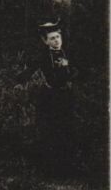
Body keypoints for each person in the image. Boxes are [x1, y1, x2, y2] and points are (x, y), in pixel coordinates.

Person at [16, 20, 79, 174]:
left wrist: (68, 68)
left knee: (67, 128)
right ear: (46, 41)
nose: (56, 41)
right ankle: (50, 169)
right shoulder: (43, 56)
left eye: (58, 37)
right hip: (50, 96)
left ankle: (68, 168)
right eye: (52, 38)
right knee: (51, 130)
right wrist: (19, 81)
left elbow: (77, 71)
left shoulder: (68, 54)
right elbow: (31, 69)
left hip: (66, 96)